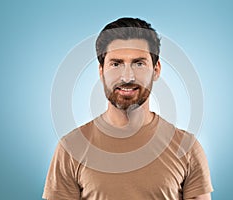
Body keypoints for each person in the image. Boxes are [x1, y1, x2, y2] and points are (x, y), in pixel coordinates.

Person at [43, 17, 213, 200]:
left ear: (156, 70)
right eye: (116, 64)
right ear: (101, 71)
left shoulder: (187, 148)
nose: (127, 77)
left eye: (139, 64)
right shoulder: (70, 148)